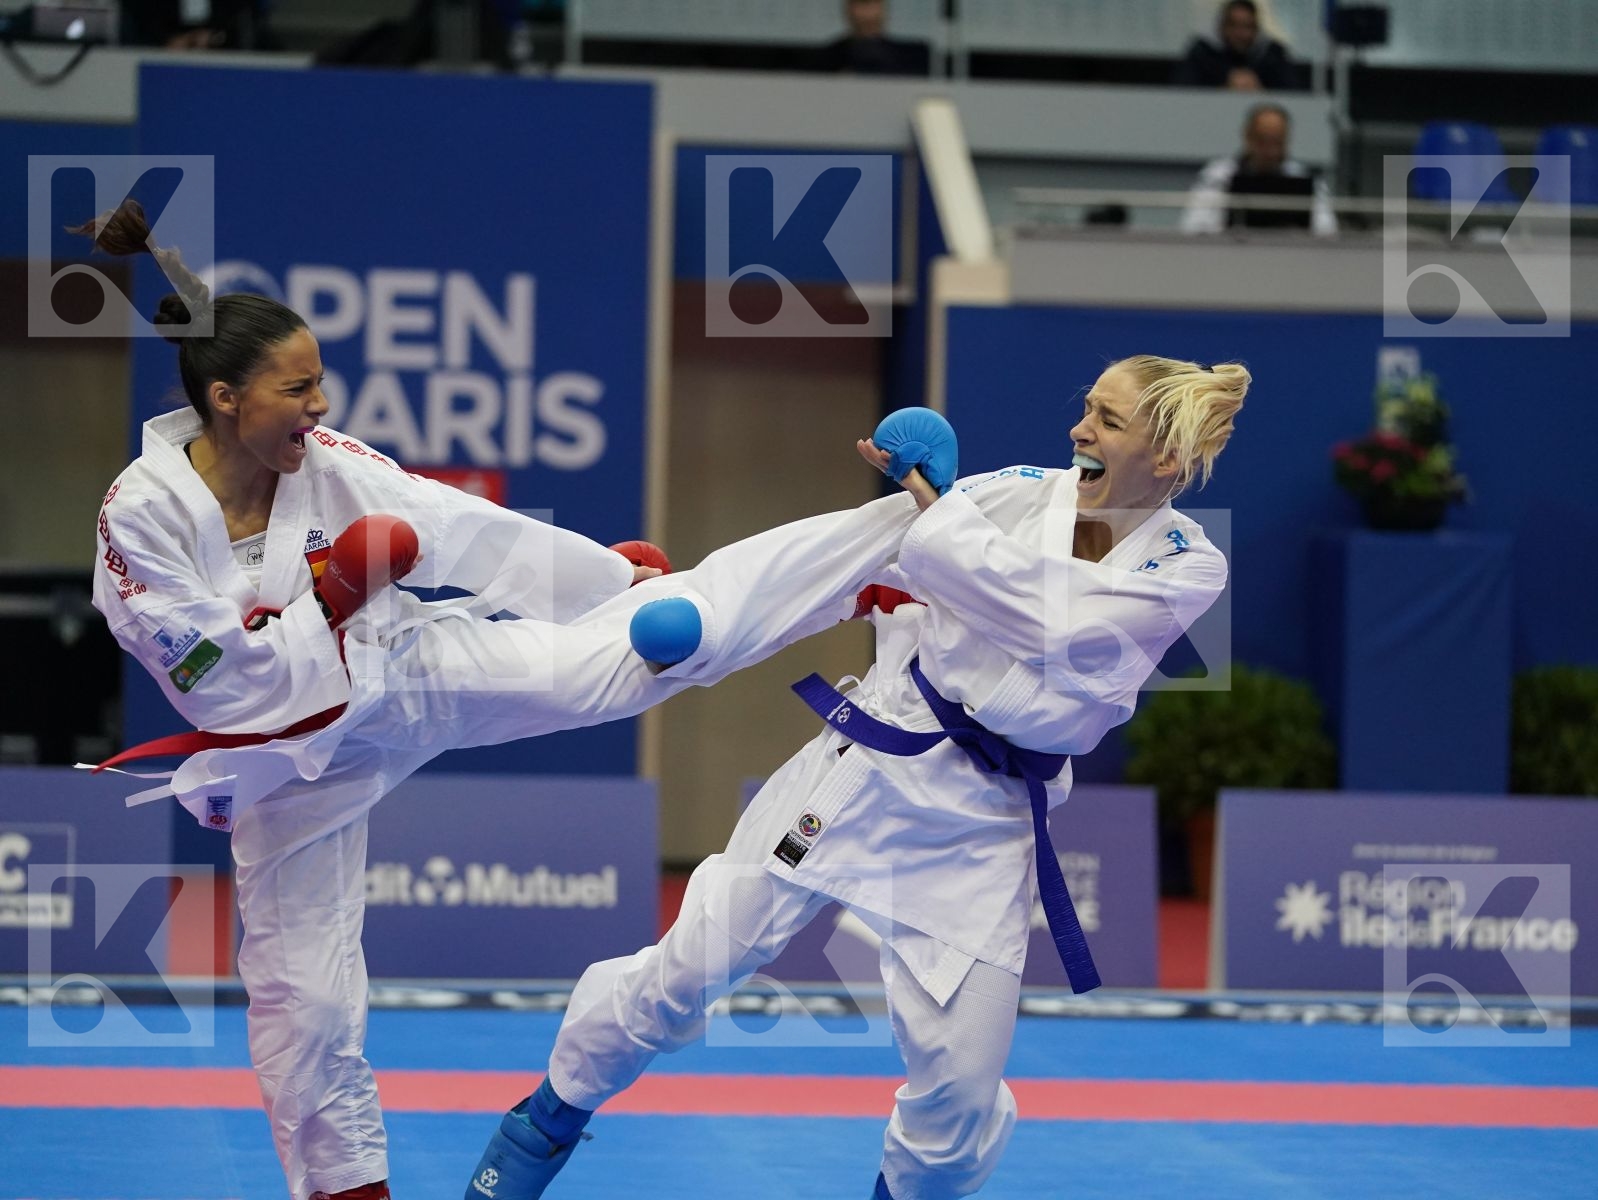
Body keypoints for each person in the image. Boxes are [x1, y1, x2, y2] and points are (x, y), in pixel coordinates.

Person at [81, 200, 930, 1200]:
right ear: (226, 398)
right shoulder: (142, 517)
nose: (320, 405)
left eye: (320, 382)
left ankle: (885, 546)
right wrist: (332, 594)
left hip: (403, 672)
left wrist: (602, 581)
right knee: (304, 1000)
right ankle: (345, 1188)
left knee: (635, 652)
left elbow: (461, 529)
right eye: (297, 388)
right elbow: (217, 681)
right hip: (284, 763)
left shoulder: (332, 466)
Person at [466, 357, 1248, 1199]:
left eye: (1107, 420)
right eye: (1086, 407)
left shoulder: (1187, 566)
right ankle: (544, 1122)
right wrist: (707, 617)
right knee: (687, 971)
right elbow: (837, 553)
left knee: (961, 1094)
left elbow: (1063, 626)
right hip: (871, 766)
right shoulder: (1012, 496)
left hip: (987, 824)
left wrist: (942, 528)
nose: (1079, 429)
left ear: (1166, 459)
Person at [1180, 102, 1337, 236]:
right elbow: (1192, 228)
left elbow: (1328, 233)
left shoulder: (1304, 178)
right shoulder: (1217, 176)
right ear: (1247, 136)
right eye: (1263, 141)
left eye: (1278, 142)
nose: (1271, 151)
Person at [1172, 0, 1303, 92]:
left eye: (1247, 27)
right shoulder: (1202, 54)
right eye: (1233, 25)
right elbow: (1182, 93)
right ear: (1221, 27)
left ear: (1256, 29)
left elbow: (1294, 95)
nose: (1240, 34)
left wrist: (1260, 92)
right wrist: (1224, 89)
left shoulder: (1273, 56)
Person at [808, 0, 930, 77]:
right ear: (847, 9)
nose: (867, 14)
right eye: (861, 4)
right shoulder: (825, 59)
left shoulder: (912, 58)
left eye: (873, 3)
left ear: (884, 8)